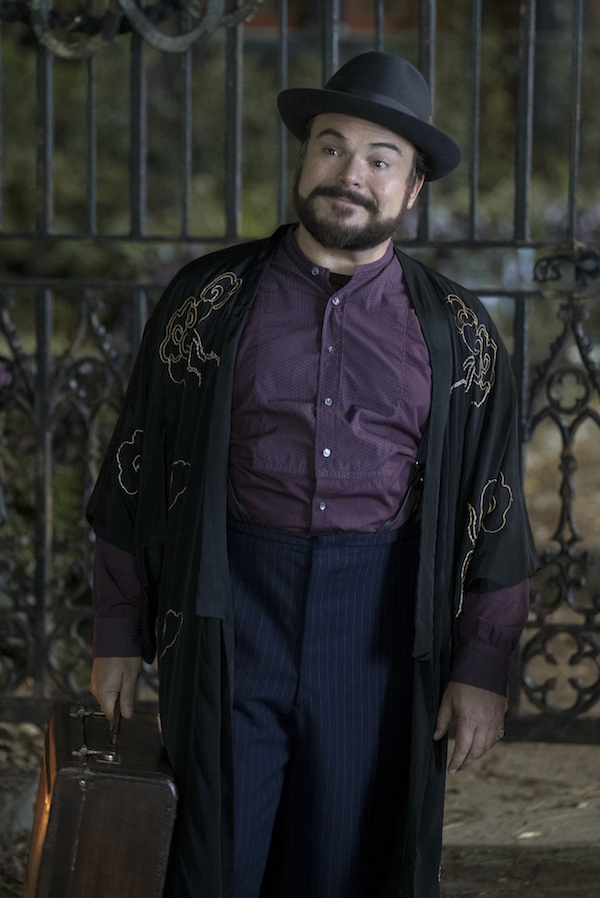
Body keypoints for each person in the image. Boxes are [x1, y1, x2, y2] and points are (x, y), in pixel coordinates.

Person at [89, 51, 538, 898]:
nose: (350, 174)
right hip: (230, 617)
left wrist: (481, 668)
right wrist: (118, 632)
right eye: (332, 147)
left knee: (344, 867)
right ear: (304, 161)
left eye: (380, 159)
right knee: (214, 864)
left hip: (377, 636)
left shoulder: (459, 335)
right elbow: (135, 466)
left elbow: (496, 507)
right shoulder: (207, 301)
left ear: (412, 189)